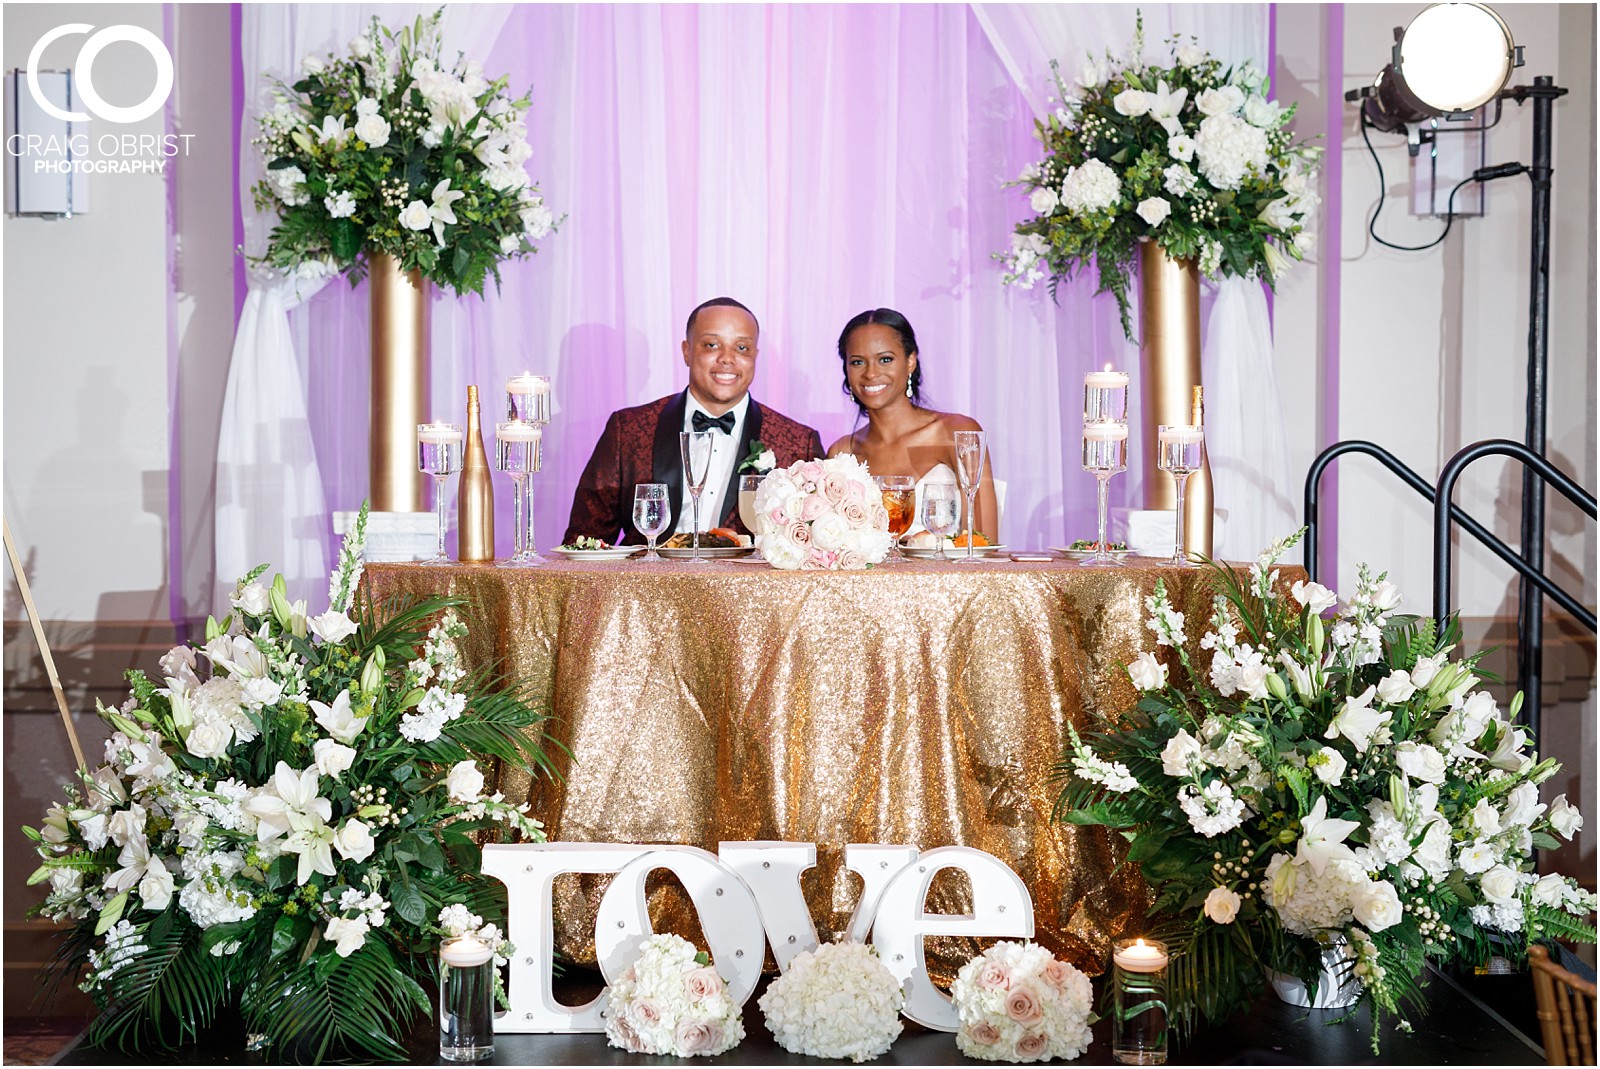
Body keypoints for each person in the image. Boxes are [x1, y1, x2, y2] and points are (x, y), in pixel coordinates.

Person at [564, 297, 825, 545]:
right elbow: (586, 539)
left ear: (755, 356)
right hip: (646, 588)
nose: (727, 358)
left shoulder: (798, 443)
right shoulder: (629, 429)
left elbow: (811, 549)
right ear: (687, 352)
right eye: (712, 345)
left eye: (741, 348)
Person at [826, 308, 998, 542]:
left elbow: (984, 543)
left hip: (951, 578)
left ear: (910, 361)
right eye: (857, 362)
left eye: (885, 359)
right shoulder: (842, 453)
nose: (871, 373)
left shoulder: (956, 432)